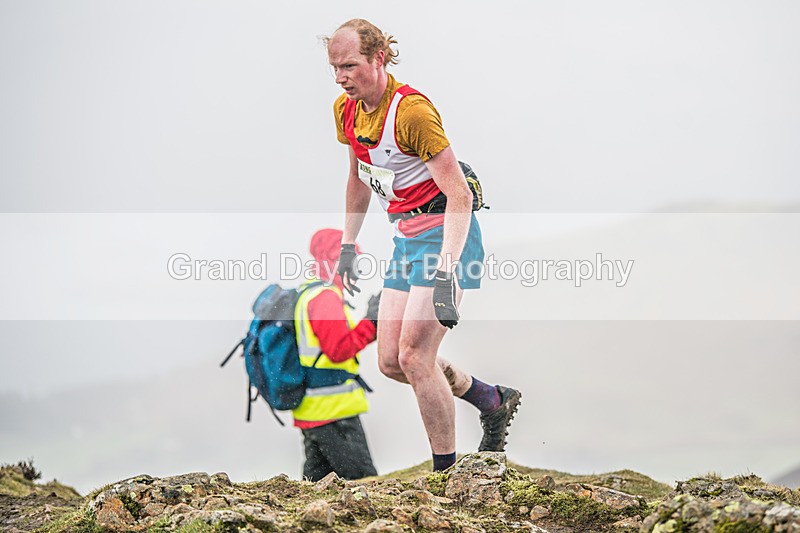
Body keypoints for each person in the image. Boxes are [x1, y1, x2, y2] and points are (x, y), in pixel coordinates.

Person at [324, 19, 521, 472]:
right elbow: (357, 179)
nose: (340, 77)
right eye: (334, 68)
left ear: (378, 58)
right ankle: (491, 400)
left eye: (349, 66)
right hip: (407, 239)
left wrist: (447, 271)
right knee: (392, 361)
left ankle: (445, 474)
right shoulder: (346, 111)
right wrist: (348, 246)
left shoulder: (411, 112)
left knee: (415, 355)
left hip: (447, 235)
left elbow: (460, 195)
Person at [291, 228, 380, 481]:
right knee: (364, 485)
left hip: (314, 410)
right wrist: (372, 323)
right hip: (334, 413)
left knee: (316, 486)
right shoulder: (325, 298)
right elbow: (339, 350)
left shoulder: (310, 292)